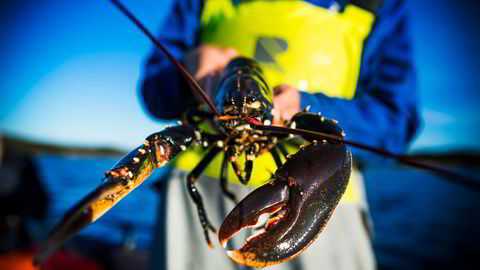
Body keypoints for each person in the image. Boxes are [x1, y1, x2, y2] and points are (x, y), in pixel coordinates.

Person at [141, 0, 420, 269]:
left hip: (320, 204)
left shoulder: (378, 4)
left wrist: (307, 108)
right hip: (194, 210)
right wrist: (184, 70)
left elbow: (397, 124)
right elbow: (153, 92)